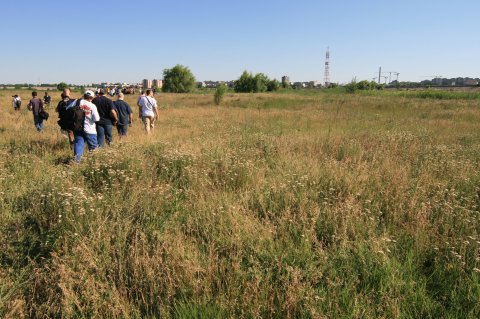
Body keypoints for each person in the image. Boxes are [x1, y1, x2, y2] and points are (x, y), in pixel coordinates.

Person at [73, 90, 100, 162]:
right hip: (90, 129)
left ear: (84, 96)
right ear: (92, 98)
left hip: (78, 128)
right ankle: (94, 162)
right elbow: (96, 119)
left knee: (78, 145)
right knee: (93, 147)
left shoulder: (77, 102)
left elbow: (68, 109)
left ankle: (76, 162)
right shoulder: (92, 106)